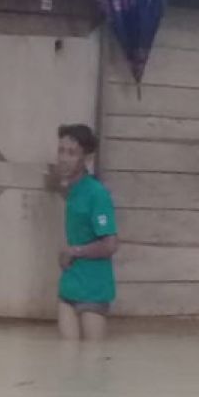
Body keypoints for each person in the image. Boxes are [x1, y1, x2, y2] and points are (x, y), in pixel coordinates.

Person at [54, 124, 118, 340]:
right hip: (70, 286)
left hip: (93, 290)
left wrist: (75, 251)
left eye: (71, 153)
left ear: (87, 159)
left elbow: (110, 244)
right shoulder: (71, 190)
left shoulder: (97, 194)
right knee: (67, 359)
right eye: (61, 150)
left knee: (93, 363)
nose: (63, 158)